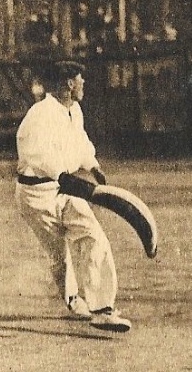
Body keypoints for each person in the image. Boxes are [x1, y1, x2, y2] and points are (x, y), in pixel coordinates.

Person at [14, 61, 131, 332]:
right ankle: (73, 299)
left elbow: (79, 140)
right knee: (59, 255)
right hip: (35, 196)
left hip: (64, 189)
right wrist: (59, 173)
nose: (83, 85)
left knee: (93, 234)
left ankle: (103, 309)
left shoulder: (74, 110)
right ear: (69, 83)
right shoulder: (39, 113)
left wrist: (93, 165)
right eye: (80, 80)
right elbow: (32, 150)